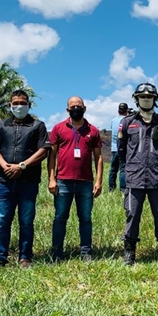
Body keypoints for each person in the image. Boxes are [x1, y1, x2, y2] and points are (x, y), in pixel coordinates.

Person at [0, 90, 51, 268]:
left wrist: (22, 166)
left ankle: (25, 257)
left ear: (29, 105)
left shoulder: (38, 126)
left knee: (26, 221)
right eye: (15, 103)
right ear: (10, 105)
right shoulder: (2, 125)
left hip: (28, 182)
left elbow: (43, 151)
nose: (19, 106)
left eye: (23, 103)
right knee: (2, 221)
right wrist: (5, 165)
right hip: (4, 182)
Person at [117, 82, 158, 265]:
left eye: (150, 97)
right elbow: (121, 149)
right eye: (143, 97)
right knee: (132, 214)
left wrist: (157, 162)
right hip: (135, 178)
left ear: (155, 99)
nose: (146, 100)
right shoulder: (127, 122)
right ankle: (129, 251)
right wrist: (132, 166)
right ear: (136, 99)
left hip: (157, 177)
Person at [48, 96, 103, 261]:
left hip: (85, 182)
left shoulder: (93, 131)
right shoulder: (58, 128)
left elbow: (98, 158)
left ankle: (86, 251)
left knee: (85, 218)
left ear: (84, 109)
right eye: (72, 106)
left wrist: (99, 181)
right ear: (67, 110)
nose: (76, 108)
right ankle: (57, 252)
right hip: (63, 181)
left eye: (79, 106)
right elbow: (52, 156)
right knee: (60, 218)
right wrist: (51, 178)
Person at [108, 102, 129, 191]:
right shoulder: (127, 120)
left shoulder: (113, 120)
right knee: (123, 169)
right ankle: (123, 189)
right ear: (126, 110)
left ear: (118, 111)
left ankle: (111, 188)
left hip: (113, 148)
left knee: (113, 169)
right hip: (123, 148)